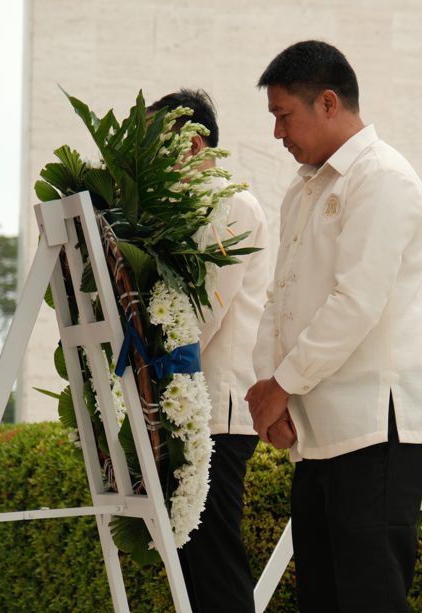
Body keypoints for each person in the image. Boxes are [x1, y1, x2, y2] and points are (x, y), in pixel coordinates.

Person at [245, 41, 422, 613]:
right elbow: (277, 300)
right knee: (322, 600)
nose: (279, 133)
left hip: (373, 429)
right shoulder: (305, 189)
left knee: (369, 600)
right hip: (316, 428)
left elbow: (355, 304)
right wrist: (272, 396)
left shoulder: (382, 177)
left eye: (285, 115)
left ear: (328, 102)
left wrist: (280, 387)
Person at [146, 89, 270, 613]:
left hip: (218, 411)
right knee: (193, 570)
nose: (145, 158)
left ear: (194, 144)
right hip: (192, 407)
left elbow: (202, 313)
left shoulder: (231, 204)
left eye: (154, 143)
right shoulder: (185, 207)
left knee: (215, 564)